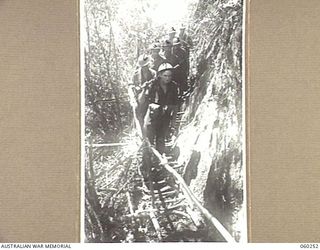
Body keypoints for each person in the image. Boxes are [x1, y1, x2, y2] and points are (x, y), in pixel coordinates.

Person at [140, 63, 179, 154]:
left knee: (161, 140)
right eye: (165, 75)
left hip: (165, 117)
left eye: (169, 76)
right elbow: (142, 101)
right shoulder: (153, 84)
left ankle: (159, 163)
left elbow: (175, 106)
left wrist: (173, 123)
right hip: (152, 116)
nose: (167, 78)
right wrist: (143, 89)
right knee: (148, 141)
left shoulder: (173, 86)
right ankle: (147, 164)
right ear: (160, 75)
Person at [132, 54, 156, 128]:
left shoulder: (153, 73)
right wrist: (139, 88)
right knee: (139, 114)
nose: (144, 68)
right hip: (140, 98)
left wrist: (149, 85)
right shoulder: (136, 74)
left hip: (151, 96)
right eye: (142, 67)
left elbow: (155, 84)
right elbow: (133, 85)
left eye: (146, 66)